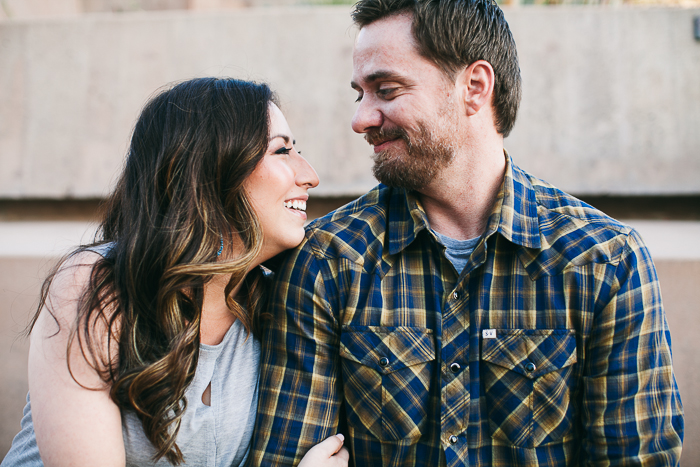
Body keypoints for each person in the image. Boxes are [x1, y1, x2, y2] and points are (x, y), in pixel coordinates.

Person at [249, 0, 684, 465]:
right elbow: (287, 457)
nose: (361, 119)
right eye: (360, 94)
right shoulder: (328, 260)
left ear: (474, 87)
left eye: (387, 90)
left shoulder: (604, 261)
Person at [1, 78, 349, 467]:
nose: (310, 175)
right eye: (282, 151)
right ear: (213, 170)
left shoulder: (281, 298)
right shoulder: (98, 287)